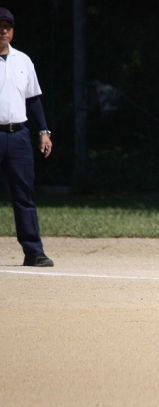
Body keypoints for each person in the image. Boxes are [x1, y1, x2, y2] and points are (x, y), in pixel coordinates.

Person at [0, 7, 54, 267]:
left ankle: (34, 252)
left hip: (18, 136)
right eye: (0, 26)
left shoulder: (23, 60)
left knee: (24, 195)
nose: (3, 31)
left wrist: (43, 131)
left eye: (8, 26)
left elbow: (33, 99)